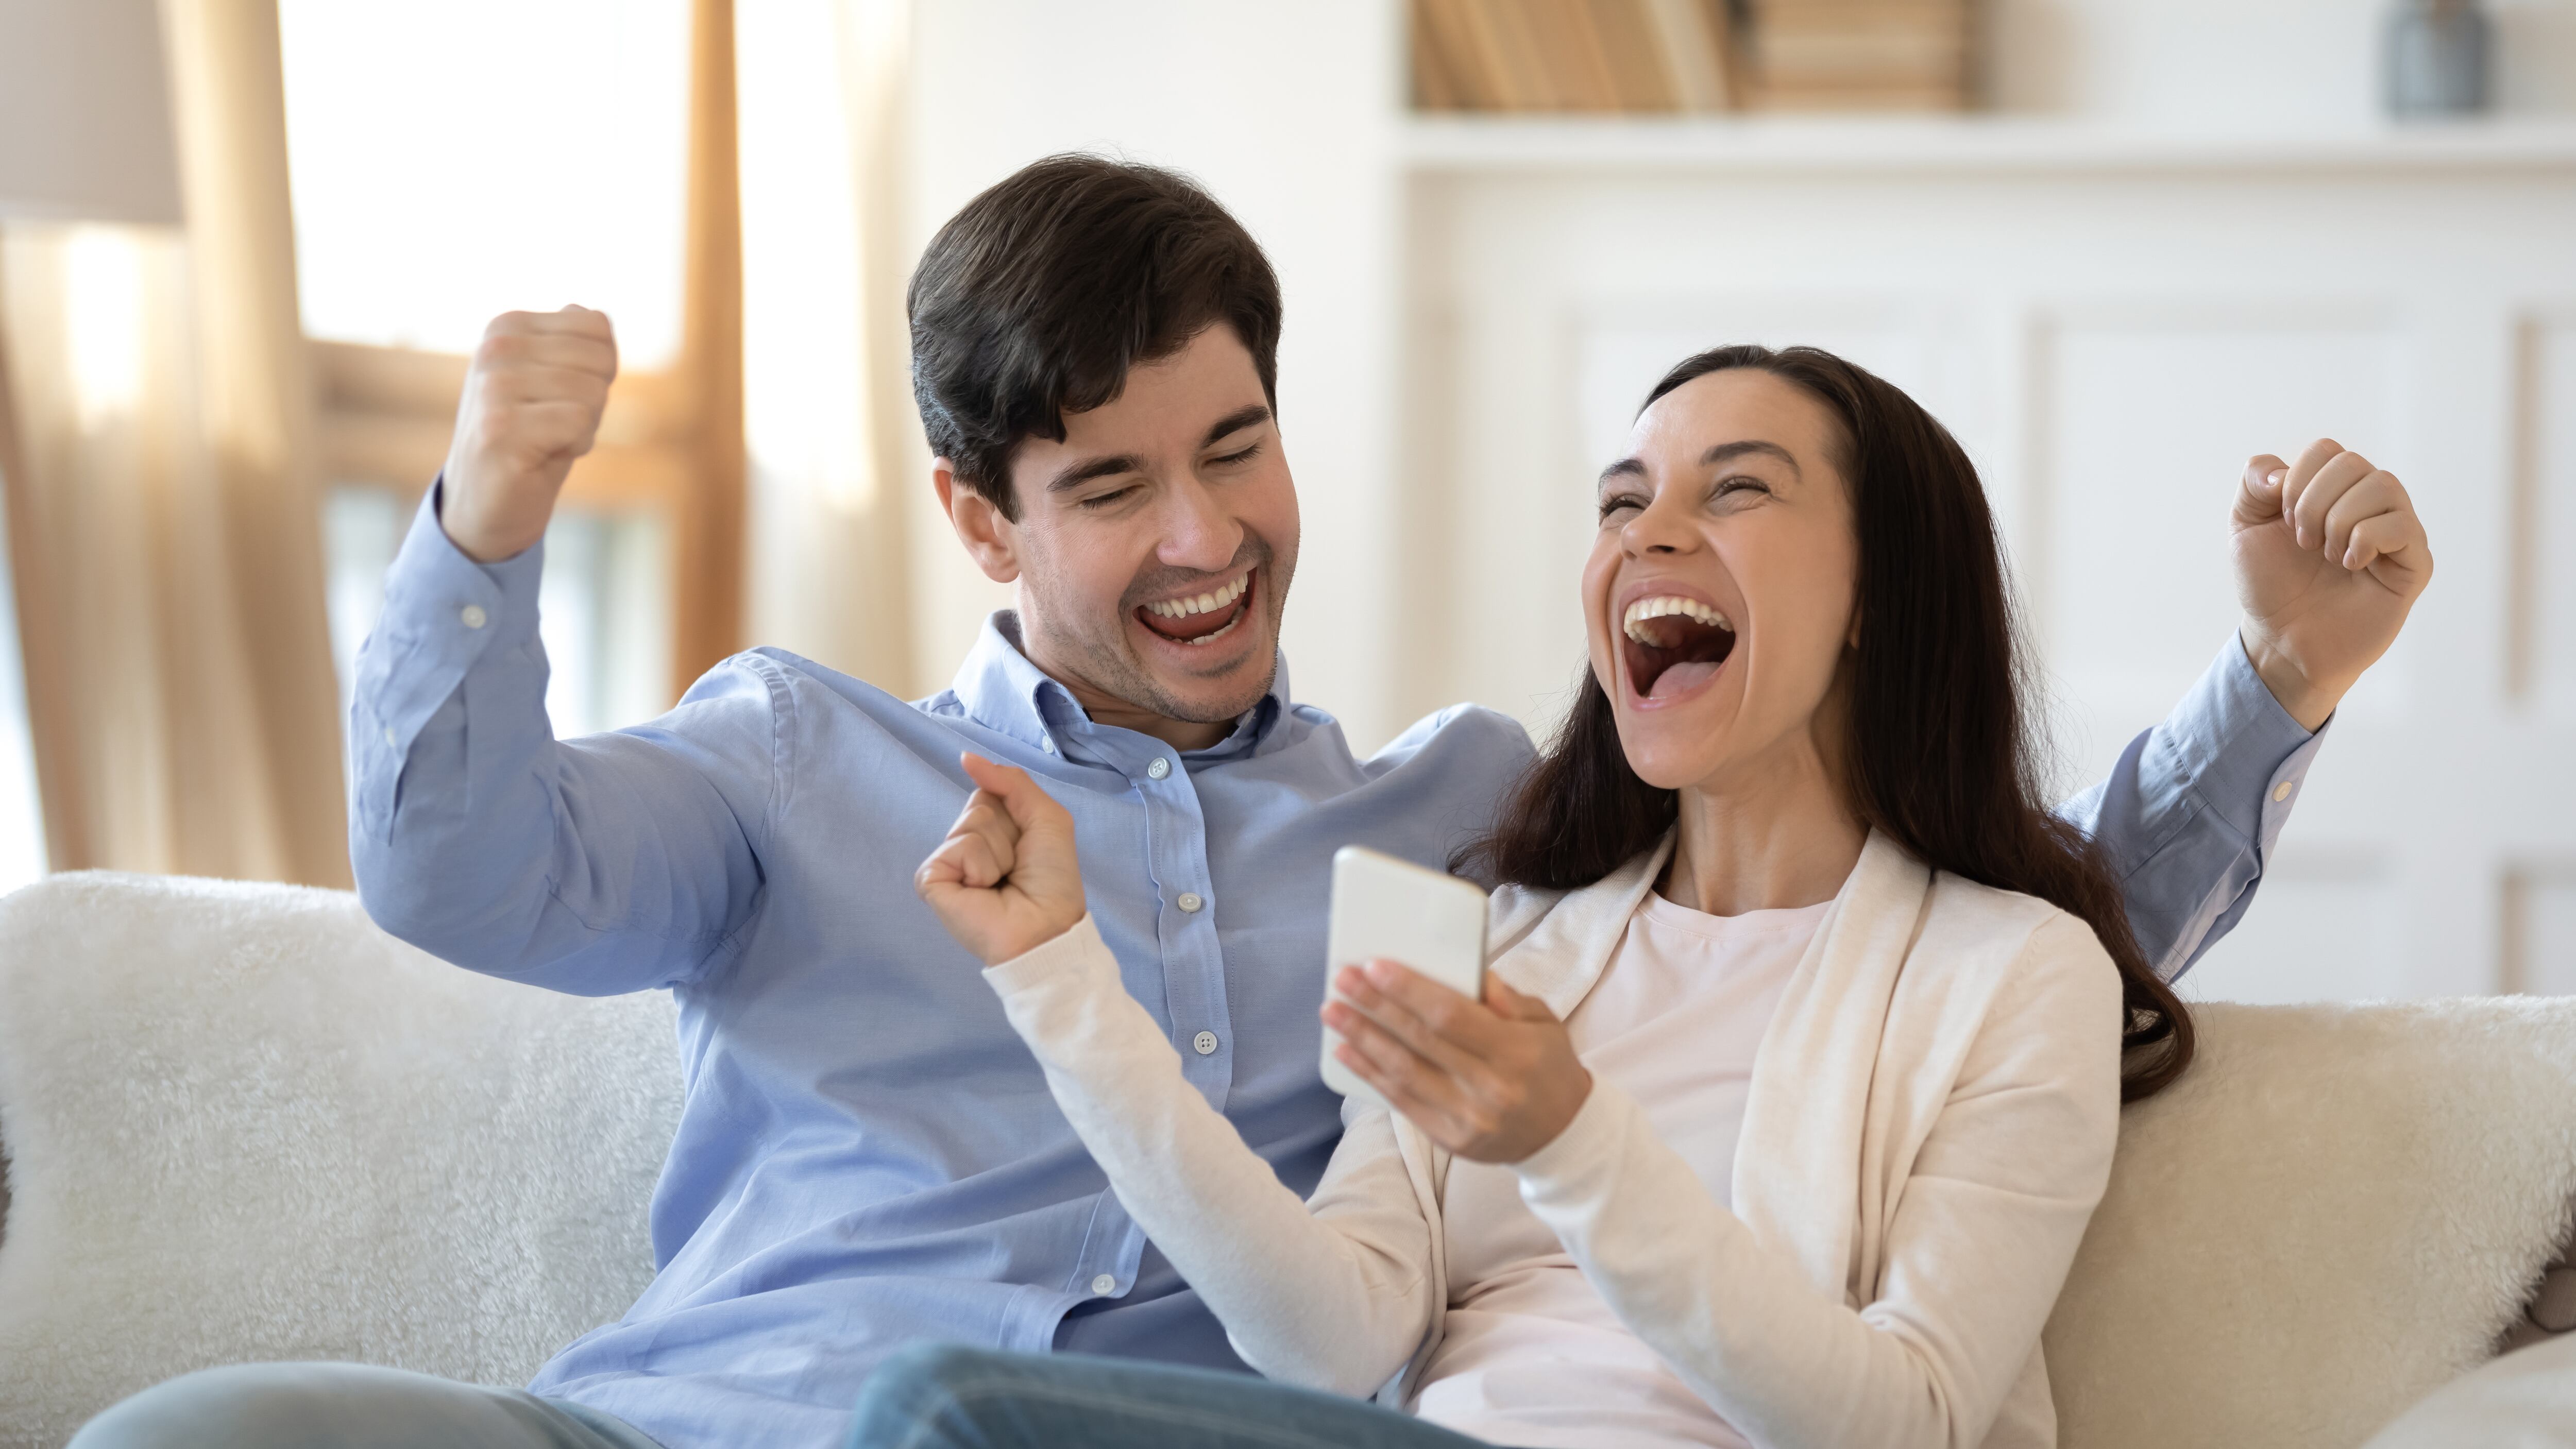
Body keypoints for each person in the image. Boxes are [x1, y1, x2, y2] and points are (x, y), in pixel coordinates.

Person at [71, 159, 2428, 1449]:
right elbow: (460, 877)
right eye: (1110, 487)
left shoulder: (1462, 829)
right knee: (196, 1437)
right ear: (977, 519)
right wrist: (483, 528)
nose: (1203, 538)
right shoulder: (794, 757)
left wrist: (2272, 684)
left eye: (1236, 449)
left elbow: (1932, 896)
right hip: (690, 1426)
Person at [861, 340, 2438, 1449]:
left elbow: (1910, 1422)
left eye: (1734, 492)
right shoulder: (1499, 941)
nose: (1650, 531)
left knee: (944, 1419)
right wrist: (1059, 982)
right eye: (1623, 501)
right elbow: (1329, 1342)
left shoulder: (2017, 969)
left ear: (1880, 593)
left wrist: (1570, 1138)